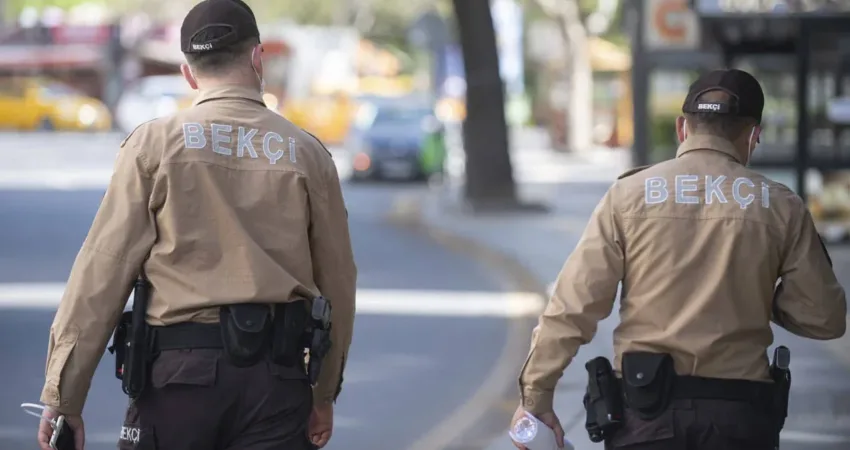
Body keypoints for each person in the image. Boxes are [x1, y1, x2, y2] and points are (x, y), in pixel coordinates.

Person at [36, 1, 356, 449]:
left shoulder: (153, 146)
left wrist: (64, 397)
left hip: (177, 383)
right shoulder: (308, 154)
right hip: (277, 386)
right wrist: (323, 393)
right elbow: (338, 281)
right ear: (257, 58)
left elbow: (102, 272)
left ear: (189, 73)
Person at [509, 68, 847, 450]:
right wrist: (754, 291)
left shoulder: (627, 197)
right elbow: (826, 318)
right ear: (753, 135)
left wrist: (535, 399)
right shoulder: (781, 206)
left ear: (682, 128)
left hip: (645, 417)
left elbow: (572, 307)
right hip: (741, 420)